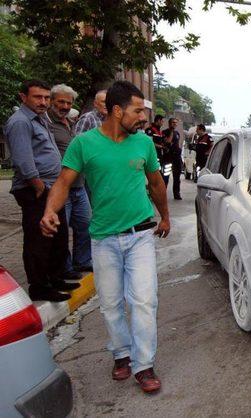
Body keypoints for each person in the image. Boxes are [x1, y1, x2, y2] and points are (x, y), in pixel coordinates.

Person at [40, 81, 170, 393]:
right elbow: (63, 181)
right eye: (137, 110)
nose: (142, 117)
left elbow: (156, 183)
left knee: (144, 301)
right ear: (116, 110)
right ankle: (121, 354)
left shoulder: (144, 144)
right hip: (103, 238)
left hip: (140, 234)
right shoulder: (84, 144)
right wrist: (50, 211)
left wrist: (164, 215)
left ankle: (144, 365)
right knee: (111, 304)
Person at [4, 80, 77, 302]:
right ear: (23, 97)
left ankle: (55, 278)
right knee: (39, 239)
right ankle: (39, 286)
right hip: (35, 188)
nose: (43, 102)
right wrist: (39, 187)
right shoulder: (20, 122)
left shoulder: (41, 119)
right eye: (38, 97)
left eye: (46, 97)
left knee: (58, 236)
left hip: (52, 188)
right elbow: (23, 160)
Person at [46, 84, 92, 274]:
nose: (65, 106)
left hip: (78, 186)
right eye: (61, 102)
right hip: (61, 186)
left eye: (68, 103)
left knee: (85, 224)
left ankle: (81, 261)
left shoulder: (71, 123)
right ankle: (63, 268)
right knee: (61, 231)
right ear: (51, 101)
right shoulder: (46, 124)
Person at [145, 115, 170, 185]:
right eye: (162, 121)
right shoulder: (150, 130)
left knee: (160, 176)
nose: (162, 123)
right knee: (153, 175)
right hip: (152, 156)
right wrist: (161, 146)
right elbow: (149, 143)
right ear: (158, 120)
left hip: (159, 156)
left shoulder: (159, 131)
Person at [163, 117, 182, 200]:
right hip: (168, 157)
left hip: (177, 158)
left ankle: (176, 194)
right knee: (165, 176)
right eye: (173, 122)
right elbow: (168, 142)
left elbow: (177, 143)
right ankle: (162, 193)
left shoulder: (177, 133)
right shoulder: (165, 132)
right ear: (169, 123)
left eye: (176, 122)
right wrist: (171, 131)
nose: (175, 124)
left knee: (177, 177)